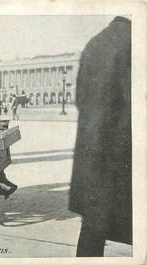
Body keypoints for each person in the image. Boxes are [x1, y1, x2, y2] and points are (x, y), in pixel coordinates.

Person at [69, 16, 132, 257]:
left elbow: (80, 100)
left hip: (93, 160)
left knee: (92, 230)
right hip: (122, 160)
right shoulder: (134, 42)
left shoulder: (95, 43)